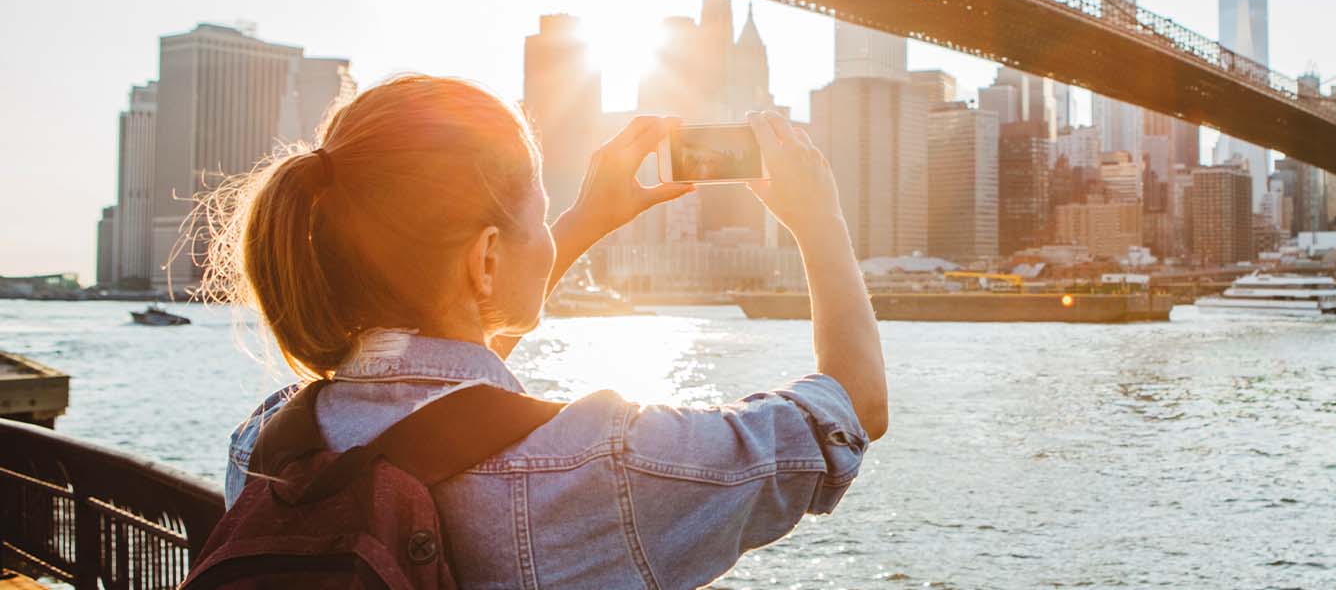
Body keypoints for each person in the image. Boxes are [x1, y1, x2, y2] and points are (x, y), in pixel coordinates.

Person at [206, 75, 887, 588]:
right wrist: (819, 218)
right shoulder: (607, 464)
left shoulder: (268, 441)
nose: (551, 232)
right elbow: (852, 407)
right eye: (541, 215)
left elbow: (441, 403)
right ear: (489, 258)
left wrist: (588, 218)